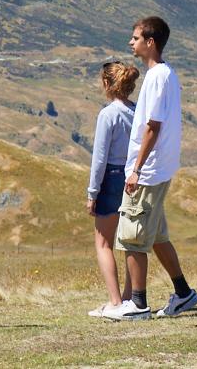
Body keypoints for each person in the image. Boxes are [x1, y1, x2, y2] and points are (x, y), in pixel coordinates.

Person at [105, 16, 197, 320]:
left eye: (135, 38)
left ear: (150, 42)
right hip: (159, 167)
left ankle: (137, 303)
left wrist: (136, 168)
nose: (130, 43)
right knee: (157, 235)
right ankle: (184, 293)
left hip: (148, 170)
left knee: (132, 236)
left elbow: (152, 126)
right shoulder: (164, 75)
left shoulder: (158, 77)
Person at [86, 60, 139, 318]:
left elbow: (99, 157)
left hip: (112, 177)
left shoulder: (108, 114)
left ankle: (115, 301)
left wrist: (92, 192)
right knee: (129, 240)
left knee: (103, 243)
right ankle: (130, 298)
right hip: (133, 177)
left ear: (107, 83)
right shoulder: (137, 111)